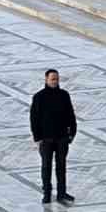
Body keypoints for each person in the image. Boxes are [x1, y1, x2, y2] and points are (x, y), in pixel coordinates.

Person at [30, 68, 78, 205]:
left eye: (56, 79)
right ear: (46, 79)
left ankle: (61, 193)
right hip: (46, 139)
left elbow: (71, 114)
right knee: (46, 166)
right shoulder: (39, 97)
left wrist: (72, 133)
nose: (55, 81)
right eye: (52, 79)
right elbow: (34, 118)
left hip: (62, 137)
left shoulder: (64, 95)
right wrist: (37, 137)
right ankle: (47, 193)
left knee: (61, 166)